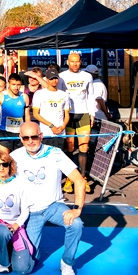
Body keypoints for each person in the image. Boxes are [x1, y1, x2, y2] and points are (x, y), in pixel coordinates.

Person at [11, 122, 86, 275]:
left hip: (53, 206)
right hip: (29, 212)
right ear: (20, 138)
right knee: (23, 268)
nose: (30, 141)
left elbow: (79, 180)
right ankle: (32, 252)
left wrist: (77, 209)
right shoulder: (14, 157)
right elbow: (4, 184)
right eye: (26, 138)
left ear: (41, 136)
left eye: (34, 137)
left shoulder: (55, 153)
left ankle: (67, 262)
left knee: (76, 223)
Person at [58, 52, 96, 192]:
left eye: (77, 61)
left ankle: (83, 177)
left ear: (81, 62)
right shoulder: (62, 76)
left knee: (84, 147)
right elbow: (58, 96)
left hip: (83, 113)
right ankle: (70, 178)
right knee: (70, 147)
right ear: (67, 62)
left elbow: (91, 96)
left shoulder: (87, 76)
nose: (75, 64)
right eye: (72, 61)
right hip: (68, 115)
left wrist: (92, 114)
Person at [31, 68, 70, 151]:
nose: (54, 81)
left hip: (60, 133)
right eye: (51, 79)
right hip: (46, 133)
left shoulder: (64, 94)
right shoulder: (39, 93)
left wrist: (63, 126)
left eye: (56, 78)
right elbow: (36, 114)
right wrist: (51, 125)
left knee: (59, 156)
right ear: (47, 79)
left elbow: (66, 114)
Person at [0, 73, 31, 154]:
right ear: (8, 84)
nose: (16, 87)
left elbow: (27, 115)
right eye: (13, 84)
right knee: (4, 157)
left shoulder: (24, 97)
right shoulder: (1, 96)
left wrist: (28, 130)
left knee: (18, 159)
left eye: (18, 85)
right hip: (4, 132)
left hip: (19, 132)